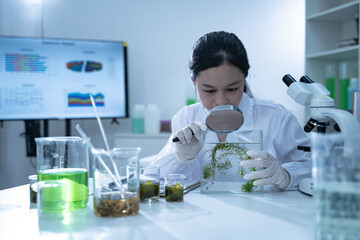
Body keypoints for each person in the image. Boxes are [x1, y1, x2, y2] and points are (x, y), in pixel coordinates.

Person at [150, 31, 311, 190]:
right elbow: (153, 177)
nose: (221, 101)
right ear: (194, 82)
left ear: (244, 79)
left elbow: (315, 167)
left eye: (232, 89)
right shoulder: (185, 117)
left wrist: (287, 175)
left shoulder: (276, 118)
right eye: (209, 90)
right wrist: (180, 157)